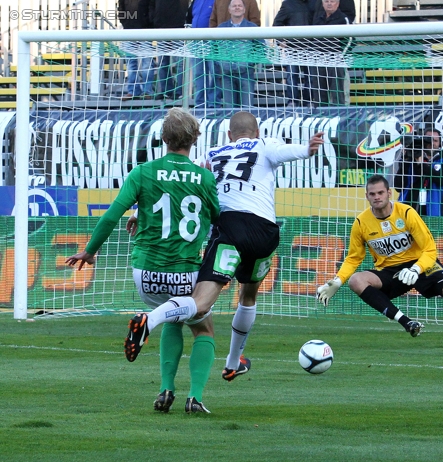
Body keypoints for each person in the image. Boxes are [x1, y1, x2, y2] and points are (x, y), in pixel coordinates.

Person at [124, 112, 325, 382]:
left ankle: (151, 319)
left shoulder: (212, 153)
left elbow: (172, 181)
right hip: (265, 232)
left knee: (201, 303)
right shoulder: (265, 145)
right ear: (257, 132)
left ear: (229, 135)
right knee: (249, 296)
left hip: (230, 228)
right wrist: (307, 149)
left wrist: (137, 210)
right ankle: (233, 363)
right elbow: (287, 152)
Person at [66, 108, 220, 414]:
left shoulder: (142, 172)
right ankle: (196, 397)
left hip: (145, 272)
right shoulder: (204, 177)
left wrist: (90, 250)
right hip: (185, 272)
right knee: (203, 329)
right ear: (195, 139)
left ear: (163, 138)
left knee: (172, 321)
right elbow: (217, 218)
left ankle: (166, 390)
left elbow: (112, 215)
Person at [317, 174, 443, 351]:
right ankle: (406, 322)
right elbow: (354, 257)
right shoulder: (361, 222)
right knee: (356, 280)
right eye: (372, 194)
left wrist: (416, 268)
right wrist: (338, 280)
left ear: (389, 193)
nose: (377, 197)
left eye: (380, 193)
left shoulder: (407, 213)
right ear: (367, 196)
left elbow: (430, 249)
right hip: (391, 271)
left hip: (422, 265)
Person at [139, 0, 189, 100]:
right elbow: (151, 5)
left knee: (179, 62)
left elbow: (184, 4)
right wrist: (155, 20)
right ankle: (166, 91)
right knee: (162, 62)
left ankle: (180, 92)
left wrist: (181, 20)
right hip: (161, 27)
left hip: (178, 27)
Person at [273, 0, 317, 107]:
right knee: (291, 77)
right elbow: (276, 24)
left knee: (311, 77)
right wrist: (280, 40)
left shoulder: (316, 3)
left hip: (311, 47)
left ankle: (309, 102)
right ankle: (292, 102)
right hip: (292, 48)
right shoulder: (288, 4)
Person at [217, 0, 260, 107]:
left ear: (244, 9)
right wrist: (222, 64)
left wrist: (249, 63)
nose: (237, 8)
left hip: (246, 74)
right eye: (234, 6)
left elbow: (260, 48)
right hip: (227, 75)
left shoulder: (252, 28)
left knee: (247, 109)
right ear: (229, 10)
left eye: (239, 6)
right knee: (229, 110)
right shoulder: (221, 28)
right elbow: (214, 49)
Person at [393, 130, 443, 216]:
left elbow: (441, 181)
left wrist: (421, 164)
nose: (431, 143)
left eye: (435, 140)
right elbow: (398, 187)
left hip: (432, 212)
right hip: (408, 210)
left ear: (440, 144)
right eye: (428, 139)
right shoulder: (410, 160)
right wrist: (406, 160)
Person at [310, 0, 350, 106]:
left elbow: (350, 40)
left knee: (337, 95)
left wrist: (340, 56)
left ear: (337, 3)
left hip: (336, 63)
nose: (329, 4)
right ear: (322, 3)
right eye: (326, 1)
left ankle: (339, 119)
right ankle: (321, 119)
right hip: (319, 62)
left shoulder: (343, 19)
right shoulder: (318, 20)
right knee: (319, 96)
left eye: (332, 1)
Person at [119, 0, 155, 100]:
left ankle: (147, 91)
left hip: (146, 31)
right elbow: (121, 8)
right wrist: (125, 23)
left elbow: (152, 6)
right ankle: (133, 91)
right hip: (129, 31)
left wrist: (149, 23)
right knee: (131, 63)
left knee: (147, 63)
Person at [187, 0, 218, 107]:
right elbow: (190, 17)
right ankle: (199, 103)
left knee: (214, 73)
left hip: (212, 40)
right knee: (198, 73)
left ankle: (213, 103)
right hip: (196, 40)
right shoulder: (196, 1)